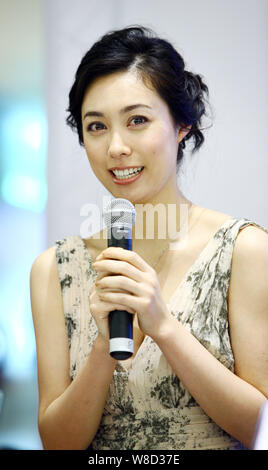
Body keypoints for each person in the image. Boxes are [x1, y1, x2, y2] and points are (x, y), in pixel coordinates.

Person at [30, 25, 268, 450]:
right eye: (96, 126)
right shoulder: (54, 269)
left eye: (137, 120)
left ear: (182, 125)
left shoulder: (244, 251)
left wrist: (165, 328)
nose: (116, 147)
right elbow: (57, 443)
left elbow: (262, 428)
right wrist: (105, 346)